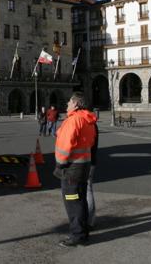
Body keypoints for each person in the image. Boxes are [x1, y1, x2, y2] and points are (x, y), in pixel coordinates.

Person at [54, 92, 98, 247]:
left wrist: (60, 163)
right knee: (80, 201)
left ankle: (77, 235)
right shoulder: (88, 120)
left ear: (76, 104)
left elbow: (65, 145)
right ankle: (83, 232)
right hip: (84, 165)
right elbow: (90, 141)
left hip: (71, 167)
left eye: (69, 102)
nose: (67, 104)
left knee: (73, 203)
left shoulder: (73, 121)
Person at [87, 120, 99, 229]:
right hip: (91, 161)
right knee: (88, 189)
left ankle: (88, 220)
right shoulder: (92, 123)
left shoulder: (83, 122)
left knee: (85, 190)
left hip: (83, 161)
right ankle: (90, 219)